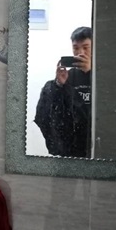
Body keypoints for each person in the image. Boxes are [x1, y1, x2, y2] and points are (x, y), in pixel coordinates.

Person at [34, 26, 92, 157]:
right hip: (72, 148)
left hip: (96, 143)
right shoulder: (67, 78)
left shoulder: (101, 77)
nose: (80, 52)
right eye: (75, 48)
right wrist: (59, 84)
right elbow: (53, 112)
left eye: (86, 47)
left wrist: (91, 72)